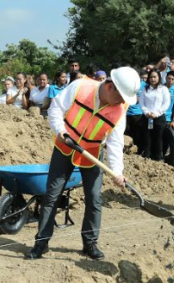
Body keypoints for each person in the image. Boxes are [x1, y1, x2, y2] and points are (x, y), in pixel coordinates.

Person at [26, 67, 140, 261]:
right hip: (65, 148)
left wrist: (117, 171)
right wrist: (60, 131)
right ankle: (41, 243)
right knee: (52, 196)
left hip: (93, 154)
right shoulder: (80, 87)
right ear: (110, 87)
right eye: (121, 97)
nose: (122, 102)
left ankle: (90, 243)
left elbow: (115, 142)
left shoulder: (120, 111)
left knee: (94, 199)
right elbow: (55, 109)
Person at [138, 69, 170, 161]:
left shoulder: (163, 89)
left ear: (159, 77)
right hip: (147, 117)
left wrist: (157, 113)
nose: (153, 79)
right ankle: (147, 156)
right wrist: (146, 112)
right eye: (151, 77)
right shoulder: (145, 89)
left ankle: (158, 157)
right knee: (147, 138)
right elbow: (141, 102)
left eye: (155, 77)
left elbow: (166, 103)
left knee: (158, 138)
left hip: (159, 118)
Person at [163, 71, 174, 166]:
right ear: (165, 78)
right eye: (169, 78)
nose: (170, 81)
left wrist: (173, 120)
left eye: (172, 79)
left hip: (169, 119)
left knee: (172, 137)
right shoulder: (160, 88)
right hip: (158, 117)